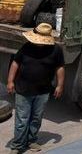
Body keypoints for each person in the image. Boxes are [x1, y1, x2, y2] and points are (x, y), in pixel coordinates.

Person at [7, 23, 65, 153]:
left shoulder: (56, 50)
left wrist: (60, 85)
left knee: (36, 118)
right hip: (23, 90)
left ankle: (31, 140)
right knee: (22, 120)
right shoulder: (26, 47)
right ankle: (18, 145)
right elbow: (15, 63)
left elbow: (60, 67)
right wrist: (10, 81)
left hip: (42, 91)